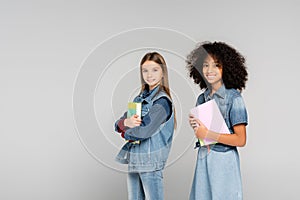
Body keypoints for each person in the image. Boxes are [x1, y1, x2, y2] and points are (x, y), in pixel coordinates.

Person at [186, 41, 248, 200]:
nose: (209, 70)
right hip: (204, 157)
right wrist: (195, 126)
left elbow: (240, 139)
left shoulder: (234, 99)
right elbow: (202, 134)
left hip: (224, 160)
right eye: (206, 65)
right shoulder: (202, 98)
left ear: (226, 68)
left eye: (216, 65)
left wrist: (208, 133)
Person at [114, 52, 176, 200]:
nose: (149, 75)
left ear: (163, 73)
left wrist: (125, 130)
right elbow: (117, 124)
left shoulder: (162, 102)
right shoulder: (139, 98)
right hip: (135, 159)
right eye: (145, 70)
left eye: (155, 70)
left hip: (150, 163)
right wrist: (126, 123)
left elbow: (143, 132)